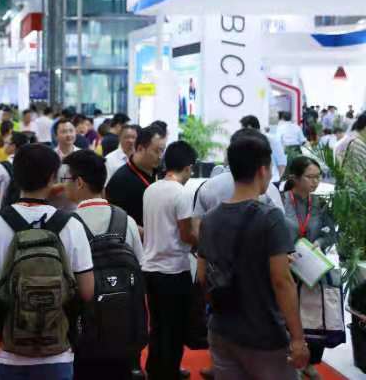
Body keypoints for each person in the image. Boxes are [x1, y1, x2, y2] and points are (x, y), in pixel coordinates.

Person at [0, 143, 94, 379]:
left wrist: (16, 291)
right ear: (52, 178)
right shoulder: (71, 225)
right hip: (57, 351)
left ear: (16, 176)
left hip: (8, 349)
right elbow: (87, 290)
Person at [197, 129, 309, 379]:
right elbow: (282, 282)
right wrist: (298, 339)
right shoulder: (270, 217)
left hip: (221, 331)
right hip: (264, 335)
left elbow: (202, 277)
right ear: (262, 170)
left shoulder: (209, 219)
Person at [61, 150, 144, 380]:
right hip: (123, 328)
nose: (63, 185)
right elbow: (140, 268)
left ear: (79, 182)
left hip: (83, 333)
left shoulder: (67, 225)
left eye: (65, 179)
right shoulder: (126, 220)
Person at [141, 141, 198, 380]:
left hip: (150, 268)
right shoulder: (181, 193)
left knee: (157, 326)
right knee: (174, 329)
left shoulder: (151, 189)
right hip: (174, 270)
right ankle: (169, 372)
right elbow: (187, 235)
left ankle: (155, 370)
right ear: (188, 167)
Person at [281, 156, 335, 379]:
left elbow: (331, 233)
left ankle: (311, 362)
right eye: (310, 177)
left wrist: (320, 242)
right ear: (294, 178)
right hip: (286, 267)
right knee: (287, 314)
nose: (315, 182)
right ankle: (287, 360)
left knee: (313, 316)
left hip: (312, 269)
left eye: (318, 177)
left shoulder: (320, 204)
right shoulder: (280, 201)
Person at [106, 125, 166, 228]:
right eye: (156, 151)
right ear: (140, 148)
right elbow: (115, 220)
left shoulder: (161, 173)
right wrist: (140, 231)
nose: (160, 156)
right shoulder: (120, 180)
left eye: (162, 151)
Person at [0, 132, 30, 211]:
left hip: (4, 212)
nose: (4, 145)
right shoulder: (32, 165)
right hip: (26, 211)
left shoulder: (0, 167)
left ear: (13, 146)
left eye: (6, 143)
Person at [240, 115, 287, 184]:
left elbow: (282, 163)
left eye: (243, 130)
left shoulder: (271, 140)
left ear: (250, 127)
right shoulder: (246, 143)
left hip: (271, 182)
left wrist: (277, 181)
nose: (243, 134)